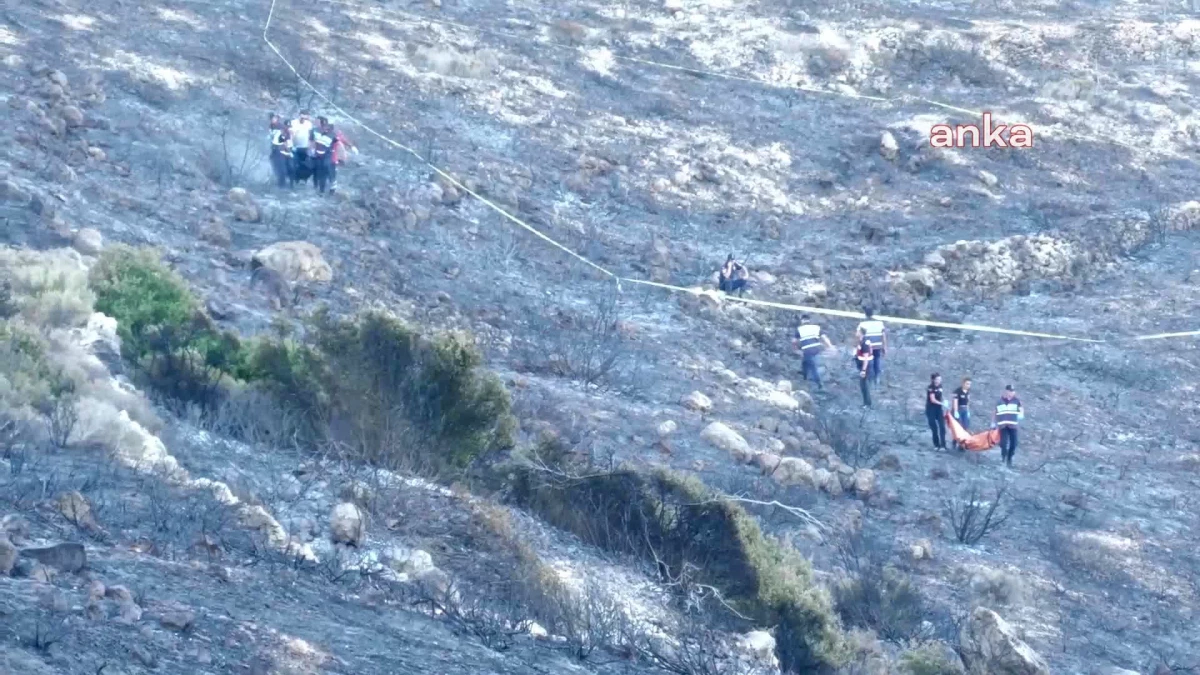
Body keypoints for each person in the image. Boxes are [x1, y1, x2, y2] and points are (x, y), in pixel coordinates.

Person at [792, 315, 833, 390]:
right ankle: (804, 374)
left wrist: (795, 349)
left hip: (807, 350)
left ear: (802, 321)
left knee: (813, 366)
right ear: (809, 320)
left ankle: (819, 383)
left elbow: (794, 341)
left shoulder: (799, 329)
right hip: (816, 349)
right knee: (805, 361)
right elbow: (824, 338)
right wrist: (830, 346)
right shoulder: (816, 327)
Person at [992, 385, 1023, 467]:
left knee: (1014, 443)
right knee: (1004, 443)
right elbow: (995, 412)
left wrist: (1021, 414)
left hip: (1013, 425)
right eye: (1010, 391)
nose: (1011, 393)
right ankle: (1003, 457)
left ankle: (1009, 458)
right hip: (1003, 426)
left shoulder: (1017, 401)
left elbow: (1021, 409)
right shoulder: (1000, 401)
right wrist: (993, 422)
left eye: (1013, 391)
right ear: (1006, 391)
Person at [856, 308, 887, 384]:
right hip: (877, 345)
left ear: (865, 314)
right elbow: (883, 335)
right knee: (877, 360)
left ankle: (868, 378)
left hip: (867, 346)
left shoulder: (862, 324)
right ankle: (876, 377)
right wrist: (884, 346)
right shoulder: (880, 323)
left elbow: (858, 335)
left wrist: (858, 345)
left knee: (868, 361)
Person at [310, 121, 337, 194]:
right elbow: (313, 142)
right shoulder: (318, 133)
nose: (325, 129)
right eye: (324, 127)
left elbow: (339, 144)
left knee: (327, 171)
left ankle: (331, 187)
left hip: (327, 157)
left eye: (327, 128)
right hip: (318, 156)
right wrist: (312, 149)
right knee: (320, 173)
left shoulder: (333, 136)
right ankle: (321, 190)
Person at [288, 110, 314, 184]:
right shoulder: (293, 123)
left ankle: (303, 178)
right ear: (299, 115)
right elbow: (291, 134)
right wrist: (291, 145)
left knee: (305, 165)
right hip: (295, 146)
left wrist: (310, 146)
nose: (303, 119)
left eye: (305, 118)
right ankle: (294, 179)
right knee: (294, 163)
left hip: (305, 147)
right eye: (302, 117)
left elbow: (310, 136)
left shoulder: (309, 124)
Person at [268, 114, 293, 188]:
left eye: (274, 118)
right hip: (274, 149)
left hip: (281, 149)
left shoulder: (281, 128)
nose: (273, 120)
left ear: (277, 119)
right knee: (275, 166)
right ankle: (279, 182)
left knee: (281, 168)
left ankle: (282, 185)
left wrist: (288, 150)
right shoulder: (271, 126)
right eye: (271, 118)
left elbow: (285, 140)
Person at [925, 373, 947, 450]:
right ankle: (936, 445)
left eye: (940, 379)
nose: (939, 381)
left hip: (938, 409)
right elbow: (933, 399)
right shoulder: (930, 387)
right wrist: (942, 403)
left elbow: (940, 396)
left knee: (942, 427)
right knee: (934, 427)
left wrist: (944, 402)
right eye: (937, 379)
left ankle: (943, 445)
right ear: (933, 380)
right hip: (931, 409)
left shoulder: (940, 386)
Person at [853, 336, 873, 407]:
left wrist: (863, 370)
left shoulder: (864, 343)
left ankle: (867, 404)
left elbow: (866, 358)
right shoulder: (863, 342)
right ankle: (866, 403)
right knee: (863, 385)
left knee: (864, 386)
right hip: (862, 366)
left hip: (865, 367)